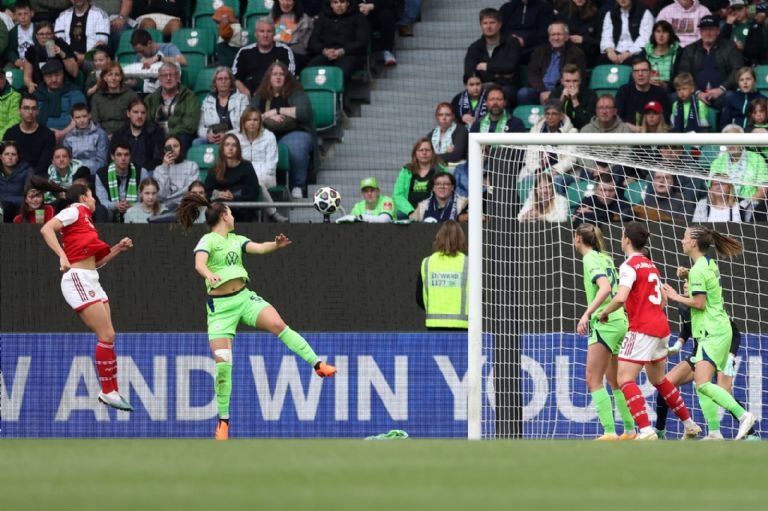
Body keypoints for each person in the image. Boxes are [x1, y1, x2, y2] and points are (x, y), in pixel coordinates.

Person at [175, 194, 337, 440]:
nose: (234, 216)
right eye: (230, 212)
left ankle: (318, 364)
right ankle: (223, 422)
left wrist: (275, 244)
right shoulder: (208, 239)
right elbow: (200, 263)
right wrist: (209, 274)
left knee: (278, 324)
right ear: (223, 216)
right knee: (223, 366)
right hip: (220, 308)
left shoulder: (237, 239)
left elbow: (259, 247)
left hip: (244, 299)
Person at [598, 222, 700, 441]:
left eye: (622, 235)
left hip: (642, 329)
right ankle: (689, 424)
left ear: (626, 239)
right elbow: (663, 299)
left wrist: (604, 313)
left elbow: (621, 297)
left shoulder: (629, 265)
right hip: (661, 327)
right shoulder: (650, 265)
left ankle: (645, 430)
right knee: (660, 380)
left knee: (625, 380)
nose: (620, 238)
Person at [39, 180, 134, 411]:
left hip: (91, 278)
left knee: (110, 336)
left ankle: (111, 391)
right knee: (107, 333)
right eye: (92, 195)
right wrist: (61, 255)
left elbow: (96, 262)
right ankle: (109, 391)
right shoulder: (74, 210)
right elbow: (46, 228)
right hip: (77, 278)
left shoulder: (87, 222)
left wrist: (117, 249)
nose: (94, 200)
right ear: (83, 197)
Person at [662, 226, 757, 440]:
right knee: (700, 383)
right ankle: (714, 432)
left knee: (704, 383)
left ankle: (744, 417)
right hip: (720, 329)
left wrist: (675, 296)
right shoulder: (707, 263)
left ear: (694, 243)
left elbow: (699, 303)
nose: (682, 241)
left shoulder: (699, 270)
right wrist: (688, 274)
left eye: (685, 238)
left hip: (711, 331)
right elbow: (705, 283)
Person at [573, 223, 636, 440]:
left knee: (593, 379)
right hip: (620, 320)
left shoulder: (590, 258)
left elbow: (606, 288)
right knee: (615, 381)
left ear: (578, 238)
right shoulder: (606, 258)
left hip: (605, 320)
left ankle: (609, 432)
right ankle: (629, 430)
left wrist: (587, 314)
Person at [253, 61, 316, 199]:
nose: (278, 77)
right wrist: (267, 116)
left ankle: (298, 186)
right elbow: (249, 117)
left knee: (296, 144)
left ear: (287, 77)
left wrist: (277, 110)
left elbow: (304, 113)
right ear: (269, 77)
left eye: (282, 74)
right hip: (265, 134)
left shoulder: (296, 93)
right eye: (275, 74)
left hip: (293, 132)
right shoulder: (260, 96)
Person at [675, 15, 744, 110]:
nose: (708, 33)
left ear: (718, 31)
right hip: (695, 95)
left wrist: (721, 89)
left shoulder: (729, 47)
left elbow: (738, 70)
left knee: (730, 96)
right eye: (704, 30)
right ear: (700, 32)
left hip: (723, 94)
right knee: (674, 97)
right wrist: (697, 92)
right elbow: (683, 74)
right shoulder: (689, 50)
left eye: (711, 29)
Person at [233, 108, 288, 223]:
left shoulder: (269, 137)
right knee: (247, 185)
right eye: (248, 120)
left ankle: (268, 215)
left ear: (260, 122)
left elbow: (271, 166)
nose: (252, 123)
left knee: (256, 184)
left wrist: (253, 177)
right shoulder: (236, 137)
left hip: (267, 176)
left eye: (255, 120)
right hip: (242, 176)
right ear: (243, 122)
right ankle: (271, 214)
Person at [415, 220, 468, 330]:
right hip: (462, 328)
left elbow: (419, 298)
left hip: (434, 326)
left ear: (438, 238)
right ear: (461, 239)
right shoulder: (469, 263)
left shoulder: (427, 262)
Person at [519, 20, 586, 106]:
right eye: (553, 34)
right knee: (523, 93)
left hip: (562, 92)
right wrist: (542, 91)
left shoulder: (576, 53)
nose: (556, 38)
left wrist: (553, 93)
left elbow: (578, 78)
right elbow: (532, 73)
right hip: (540, 90)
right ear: (549, 37)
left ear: (566, 36)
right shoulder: (539, 51)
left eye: (559, 34)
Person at [709, 125, 768, 221]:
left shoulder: (757, 159)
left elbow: (763, 190)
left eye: (735, 139)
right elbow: (712, 190)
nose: (732, 144)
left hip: (751, 207)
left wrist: (743, 206)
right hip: (724, 206)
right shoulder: (717, 162)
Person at [464, 7, 522, 103]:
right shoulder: (474, 47)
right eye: (485, 23)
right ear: (481, 26)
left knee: (498, 96)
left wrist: (486, 66)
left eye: (492, 22)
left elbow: (510, 67)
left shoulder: (512, 42)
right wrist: (499, 73)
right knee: (460, 99)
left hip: (507, 87)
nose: (488, 26)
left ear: (500, 24)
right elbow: (469, 71)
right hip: (482, 86)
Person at [306, 0, 370, 81]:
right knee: (310, 70)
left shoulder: (358, 17)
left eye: (342, 2)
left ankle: (338, 93)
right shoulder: (322, 17)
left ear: (348, 3)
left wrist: (343, 50)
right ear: (331, 4)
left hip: (350, 54)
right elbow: (313, 41)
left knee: (340, 73)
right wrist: (324, 51)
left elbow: (362, 42)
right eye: (335, 2)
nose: (339, 5)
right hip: (325, 54)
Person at [232, 17, 296, 98]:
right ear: (256, 34)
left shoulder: (284, 51)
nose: (265, 35)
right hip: (249, 98)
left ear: (274, 34)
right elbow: (235, 78)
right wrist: (244, 91)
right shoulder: (244, 52)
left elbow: (289, 76)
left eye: (269, 31)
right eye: (262, 31)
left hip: (277, 96)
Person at [143, 63, 200, 151]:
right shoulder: (150, 99)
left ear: (178, 77)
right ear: (160, 78)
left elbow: (190, 125)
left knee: (183, 138)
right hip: (156, 136)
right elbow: (146, 122)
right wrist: (158, 134)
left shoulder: (189, 97)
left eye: (172, 75)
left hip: (179, 136)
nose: (168, 78)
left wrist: (169, 134)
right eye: (165, 75)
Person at [204, 134, 260, 222]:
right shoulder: (214, 170)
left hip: (242, 211)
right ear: (222, 148)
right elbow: (206, 192)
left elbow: (253, 192)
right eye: (227, 145)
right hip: (220, 212)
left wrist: (233, 196)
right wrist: (218, 194)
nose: (230, 148)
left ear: (238, 149)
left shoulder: (247, 167)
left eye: (234, 145)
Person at [95, 140, 149, 222]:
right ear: (112, 157)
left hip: (136, 211)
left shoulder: (141, 172)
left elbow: (146, 199)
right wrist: (115, 205)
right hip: (112, 213)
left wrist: (132, 205)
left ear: (130, 156)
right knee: (102, 211)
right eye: (119, 155)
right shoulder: (101, 174)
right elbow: (102, 201)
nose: (123, 158)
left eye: (126, 155)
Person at [393, 138, 446, 220]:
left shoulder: (441, 170)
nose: (424, 152)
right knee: (401, 214)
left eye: (427, 150)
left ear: (432, 153)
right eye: (421, 150)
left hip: (433, 210)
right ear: (415, 154)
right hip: (410, 212)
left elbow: (447, 192)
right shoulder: (406, 170)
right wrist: (410, 211)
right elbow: (398, 194)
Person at [196, 67, 250, 147]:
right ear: (215, 82)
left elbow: (245, 126)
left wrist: (227, 135)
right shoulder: (207, 100)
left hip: (236, 136)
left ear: (231, 82)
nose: (223, 81)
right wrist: (208, 134)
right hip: (214, 137)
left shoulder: (241, 99)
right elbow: (200, 126)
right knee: (197, 143)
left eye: (226, 78)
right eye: (220, 79)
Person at [614, 57, 672, 131]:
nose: (640, 74)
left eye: (644, 70)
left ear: (650, 73)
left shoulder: (661, 93)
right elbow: (616, 119)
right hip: (627, 136)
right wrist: (633, 129)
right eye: (636, 71)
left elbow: (666, 121)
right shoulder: (623, 91)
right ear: (632, 74)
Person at [34, 59, 86, 138]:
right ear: (44, 78)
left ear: (63, 74)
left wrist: (62, 133)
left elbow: (81, 117)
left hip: (72, 135)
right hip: (41, 136)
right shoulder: (37, 95)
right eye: (49, 76)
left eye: (57, 75)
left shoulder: (74, 92)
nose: (54, 79)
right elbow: (30, 117)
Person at [112, 98, 165, 176]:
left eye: (143, 113)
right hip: (125, 171)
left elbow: (158, 159)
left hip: (149, 172)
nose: (140, 116)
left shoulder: (155, 132)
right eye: (135, 112)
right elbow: (112, 158)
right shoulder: (119, 134)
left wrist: (142, 171)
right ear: (128, 113)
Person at [23, 21, 79, 94]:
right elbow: (27, 76)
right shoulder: (32, 50)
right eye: (41, 34)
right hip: (41, 88)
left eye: (48, 34)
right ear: (36, 36)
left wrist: (62, 54)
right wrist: (30, 84)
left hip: (63, 87)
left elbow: (74, 72)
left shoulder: (62, 46)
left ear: (53, 35)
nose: (45, 37)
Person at [53, 0, 110, 68]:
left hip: (90, 58)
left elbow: (101, 43)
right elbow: (60, 41)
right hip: (68, 58)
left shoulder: (100, 14)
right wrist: (72, 56)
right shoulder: (62, 16)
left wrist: (84, 57)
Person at [127, 29, 186, 94]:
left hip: (169, 92)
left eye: (142, 51)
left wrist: (159, 58)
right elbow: (135, 81)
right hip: (148, 95)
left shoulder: (168, 48)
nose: (140, 54)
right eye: (138, 52)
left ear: (149, 43)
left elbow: (183, 61)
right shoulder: (139, 56)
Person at [499, 0, 555, 65]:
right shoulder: (506, 8)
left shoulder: (545, 8)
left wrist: (525, 41)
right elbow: (500, 30)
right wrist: (511, 39)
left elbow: (545, 33)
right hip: (508, 45)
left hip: (534, 47)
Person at [90, 62, 139, 135]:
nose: (113, 78)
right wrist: (104, 136)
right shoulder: (97, 97)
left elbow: (135, 118)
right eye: (110, 75)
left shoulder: (131, 95)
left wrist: (118, 136)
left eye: (117, 75)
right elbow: (96, 122)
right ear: (104, 78)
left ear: (121, 77)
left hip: (126, 134)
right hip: (103, 136)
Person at [153, 134, 199, 211]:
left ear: (181, 148)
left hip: (186, 206)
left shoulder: (192, 166)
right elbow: (161, 195)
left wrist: (170, 198)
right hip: (164, 208)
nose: (173, 149)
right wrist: (164, 167)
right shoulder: (159, 169)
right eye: (169, 147)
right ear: (164, 150)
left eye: (176, 146)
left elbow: (191, 191)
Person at [599, 0, 654, 64]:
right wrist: (610, 51)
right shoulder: (610, 13)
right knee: (602, 59)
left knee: (636, 60)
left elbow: (645, 39)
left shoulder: (644, 12)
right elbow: (606, 36)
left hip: (636, 51)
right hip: (615, 50)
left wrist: (627, 54)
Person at [62, 102, 108, 174]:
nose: (82, 120)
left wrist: (83, 170)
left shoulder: (100, 134)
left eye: (84, 116)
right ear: (72, 118)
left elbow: (102, 162)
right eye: (78, 117)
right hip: (74, 175)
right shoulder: (68, 137)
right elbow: (66, 161)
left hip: (94, 175)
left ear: (89, 115)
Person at [549, 64, 596, 130]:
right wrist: (561, 100)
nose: (571, 85)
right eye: (567, 81)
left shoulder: (590, 95)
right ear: (562, 81)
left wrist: (574, 100)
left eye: (575, 81)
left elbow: (587, 125)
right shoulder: (555, 94)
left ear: (580, 81)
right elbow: (551, 121)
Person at [556, 0, 602, 68]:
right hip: (567, 55)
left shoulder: (596, 14)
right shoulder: (564, 12)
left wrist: (584, 39)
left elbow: (601, 41)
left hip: (589, 56)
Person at [272, 0, 315, 69]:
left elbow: (302, 45)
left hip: (296, 54)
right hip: (275, 52)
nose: (285, 3)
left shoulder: (304, 20)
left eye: (289, 0)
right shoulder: (272, 17)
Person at [640, 21, 681, 91]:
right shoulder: (644, 53)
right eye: (658, 31)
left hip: (669, 91)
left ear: (670, 35)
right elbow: (636, 74)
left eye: (664, 32)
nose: (661, 35)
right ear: (654, 34)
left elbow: (681, 78)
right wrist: (647, 82)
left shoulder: (678, 53)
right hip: (647, 88)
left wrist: (665, 85)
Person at [356, 0, 397, 66]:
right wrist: (360, 7)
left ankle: (387, 51)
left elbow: (390, 2)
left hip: (379, 11)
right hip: (359, 12)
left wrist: (371, 6)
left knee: (387, 14)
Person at [0, 140, 33, 222]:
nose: (10, 157)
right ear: (1, 157)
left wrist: (6, 200)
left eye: (13, 154)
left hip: (20, 210)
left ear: (18, 157)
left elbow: (29, 196)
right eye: (6, 154)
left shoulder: (27, 171)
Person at [5, 1, 36, 71]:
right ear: (15, 16)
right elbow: (10, 50)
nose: (23, 17)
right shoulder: (13, 32)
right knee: (7, 69)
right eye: (19, 14)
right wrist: (15, 60)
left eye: (26, 13)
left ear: (32, 13)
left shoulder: (38, 28)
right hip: (20, 62)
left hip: (36, 60)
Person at [0, 70, 21, 140]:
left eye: (1, 78)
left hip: (5, 142)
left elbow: (14, 121)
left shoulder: (15, 96)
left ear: (5, 79)